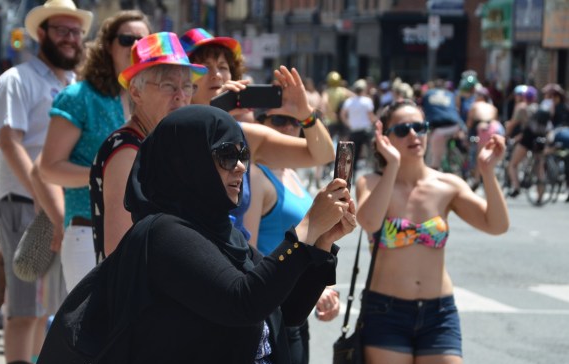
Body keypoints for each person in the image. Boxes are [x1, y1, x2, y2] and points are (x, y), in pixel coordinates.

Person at [106, 104, 355, 364]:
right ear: (188, 160)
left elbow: (285, 311)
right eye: (226, 155)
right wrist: (306, 230)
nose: (239, 167)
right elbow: (243, 302)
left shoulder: (227, 234)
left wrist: (322, 242)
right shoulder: (163, 233)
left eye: (243, 155)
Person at [355, 100, 509, 364]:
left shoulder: (447, 185)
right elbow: (368, 222)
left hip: (439, 316)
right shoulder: (371, 182)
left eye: (420, 127)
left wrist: (487, 172)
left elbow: (496, 224)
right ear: (385, 137)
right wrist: (393, 165)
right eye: (402, 129)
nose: (414, 134)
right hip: (386, 313)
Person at [0, 0, 92, 364]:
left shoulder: (76, 84)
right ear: (42, 34)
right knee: (24, 307)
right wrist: (39, 196)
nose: (70, 39)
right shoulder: (16, 80)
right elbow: (10, 142)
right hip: (23, 203)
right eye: (61, 31)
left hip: (64, 208)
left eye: (75, 32)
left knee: (51, 310)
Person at [180, 28, 335, 237]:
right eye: (204, 67)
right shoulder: (171, 132)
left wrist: (305, 114)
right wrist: (214, 112)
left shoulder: (246, 136)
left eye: (223, 67)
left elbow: (323, 155)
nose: (216, 74)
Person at [39, 10, 150, 289]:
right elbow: (49, 167)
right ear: (108, 46)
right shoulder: (79, 97)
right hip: (87, 231)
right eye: (127, 39)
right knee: (91, 330)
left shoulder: (152, 100)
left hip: (141, 234)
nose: (136, 47)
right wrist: (107, 173)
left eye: (143, 40)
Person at [244, 109, 340, 364]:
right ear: (258, 126)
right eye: (279, 121)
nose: (289, 127)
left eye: (295, 122)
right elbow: (247, 248)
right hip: (268, 305)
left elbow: (310, 239)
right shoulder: (255, 174)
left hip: (295, 304)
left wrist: (322, 282)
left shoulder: (292, 172)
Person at [89, 31, 206, 261]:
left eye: (187, 86)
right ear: (136, 92)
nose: (181, 96)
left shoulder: (156, 144)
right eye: (168, 85)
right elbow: (119, 249)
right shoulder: (127, 152)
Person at [421, 79, 465, 170]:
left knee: (432, 139)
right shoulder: (451, 94)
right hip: (453, 125)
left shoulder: (428, 93)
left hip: (440, 128)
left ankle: (434, 167)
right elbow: (456, 110)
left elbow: (423, 110)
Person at [339, 78, 376, 169]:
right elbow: (371, 116)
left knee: (353, 155)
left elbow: (342, 115)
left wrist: (348, 124)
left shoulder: (349, 101)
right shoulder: (367, 101)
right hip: (365, 130)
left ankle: (353, 175)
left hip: (354, 130)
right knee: (372, 153)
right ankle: (372, 170)